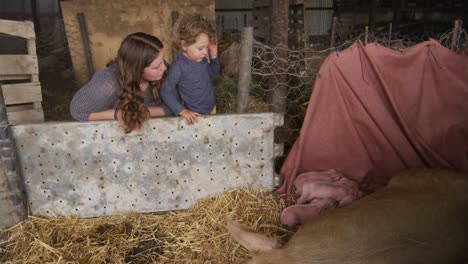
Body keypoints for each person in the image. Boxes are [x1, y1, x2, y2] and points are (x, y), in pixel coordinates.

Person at [70, 32, 172, 132]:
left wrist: (138, 113)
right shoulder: (108, 84)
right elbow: (78, 111)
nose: (164, 67)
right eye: (156, 67)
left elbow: (175, 106)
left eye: (163, 60)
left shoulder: (163, 70)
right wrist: (118, 114)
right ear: (137, 69)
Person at [160, 14, 220, 124]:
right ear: (184, 45)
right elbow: (165, 91)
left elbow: (214, 74)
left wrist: (214, 57)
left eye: (206, 47)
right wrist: (182, 110)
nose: (205, 52)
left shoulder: (201, 59)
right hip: (193, 115)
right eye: (200, 48)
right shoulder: (178, 67)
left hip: (212, 108)